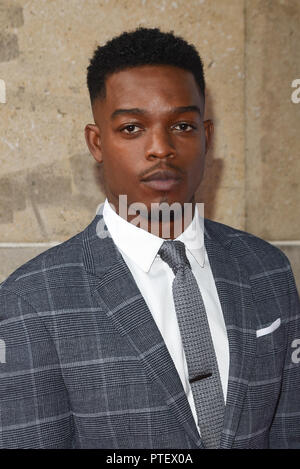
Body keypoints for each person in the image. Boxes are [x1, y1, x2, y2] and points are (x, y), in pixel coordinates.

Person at [0, 27, 299, 449]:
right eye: (132, 128)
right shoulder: (31, 300)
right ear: (96, 142)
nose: (161, 148)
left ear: (206, 137)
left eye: (181, 124)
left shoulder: (267, 268)